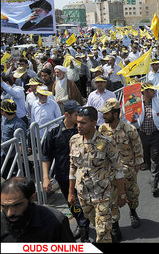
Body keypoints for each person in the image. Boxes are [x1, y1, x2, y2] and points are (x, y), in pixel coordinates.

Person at [68, 106, 127, 243]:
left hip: (102, 194)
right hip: (83, 195)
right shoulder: (74, 140)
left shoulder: (106, 142)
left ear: (94, 122)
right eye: (77, 122)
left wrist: (121, 192)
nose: (79, 126)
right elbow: (72, 167)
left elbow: (118, 168)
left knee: (102, 233)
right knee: (96, 223)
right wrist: (71, 192)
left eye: (83, 123)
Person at [42, 100, 90, 242]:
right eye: (77, 114)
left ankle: (84, 226)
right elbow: (46, 156)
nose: (80, 118)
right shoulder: (54, 132)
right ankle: (82, 225)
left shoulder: (82, 129)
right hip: (63, 176)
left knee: (85, 202)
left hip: (83, 175)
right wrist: (46, 177)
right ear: (68, 114)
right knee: (72, 203)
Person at [98, 98, 143, 238]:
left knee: (132, 195)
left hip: (127, 171)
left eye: (106, 114)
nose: (103, 116)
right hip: (109, 173)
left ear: (115, 114)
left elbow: (138, 149)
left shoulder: (129, 129)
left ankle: (133, 212)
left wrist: (135, 167)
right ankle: (115, 226)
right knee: (111, 200)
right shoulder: (102, 129)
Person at [1, 177, 75, 242]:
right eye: (4, 206)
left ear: (32, 198)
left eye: (16, 205)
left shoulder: (56, 221)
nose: (9, 213)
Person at [134, 82, 159, 196]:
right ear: (145, 92)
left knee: (155, 159)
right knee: (147, 158)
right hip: (142, 135)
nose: (154, 92)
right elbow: (131, 119)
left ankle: (154, 183)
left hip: (155, 135)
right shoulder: (137, 104)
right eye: (151, 90)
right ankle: (155, 174)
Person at [1, 100, 28, 180]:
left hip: (13, 155)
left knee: (17, 176)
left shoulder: (19, 124)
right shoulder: (5, 120)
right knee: (3, 172)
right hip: (4, 153)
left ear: (4, 111)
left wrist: (20, 157)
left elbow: (21, 142)